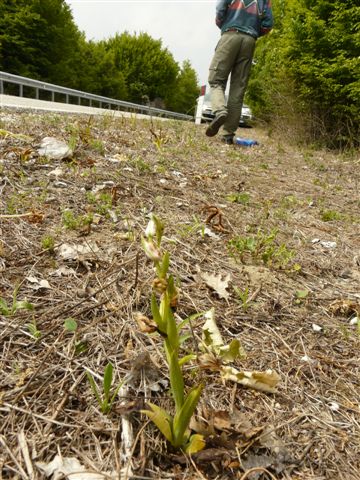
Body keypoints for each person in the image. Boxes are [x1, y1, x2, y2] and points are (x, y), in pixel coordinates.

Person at [206, 0, 273, 144]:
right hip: (249, 41)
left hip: (230, 34)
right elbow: (268, 24)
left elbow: (220, 7)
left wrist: (222, 23)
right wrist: (252, 33)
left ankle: (220, 111)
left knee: (216, 80)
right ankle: (227, 134)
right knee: (238, 88)